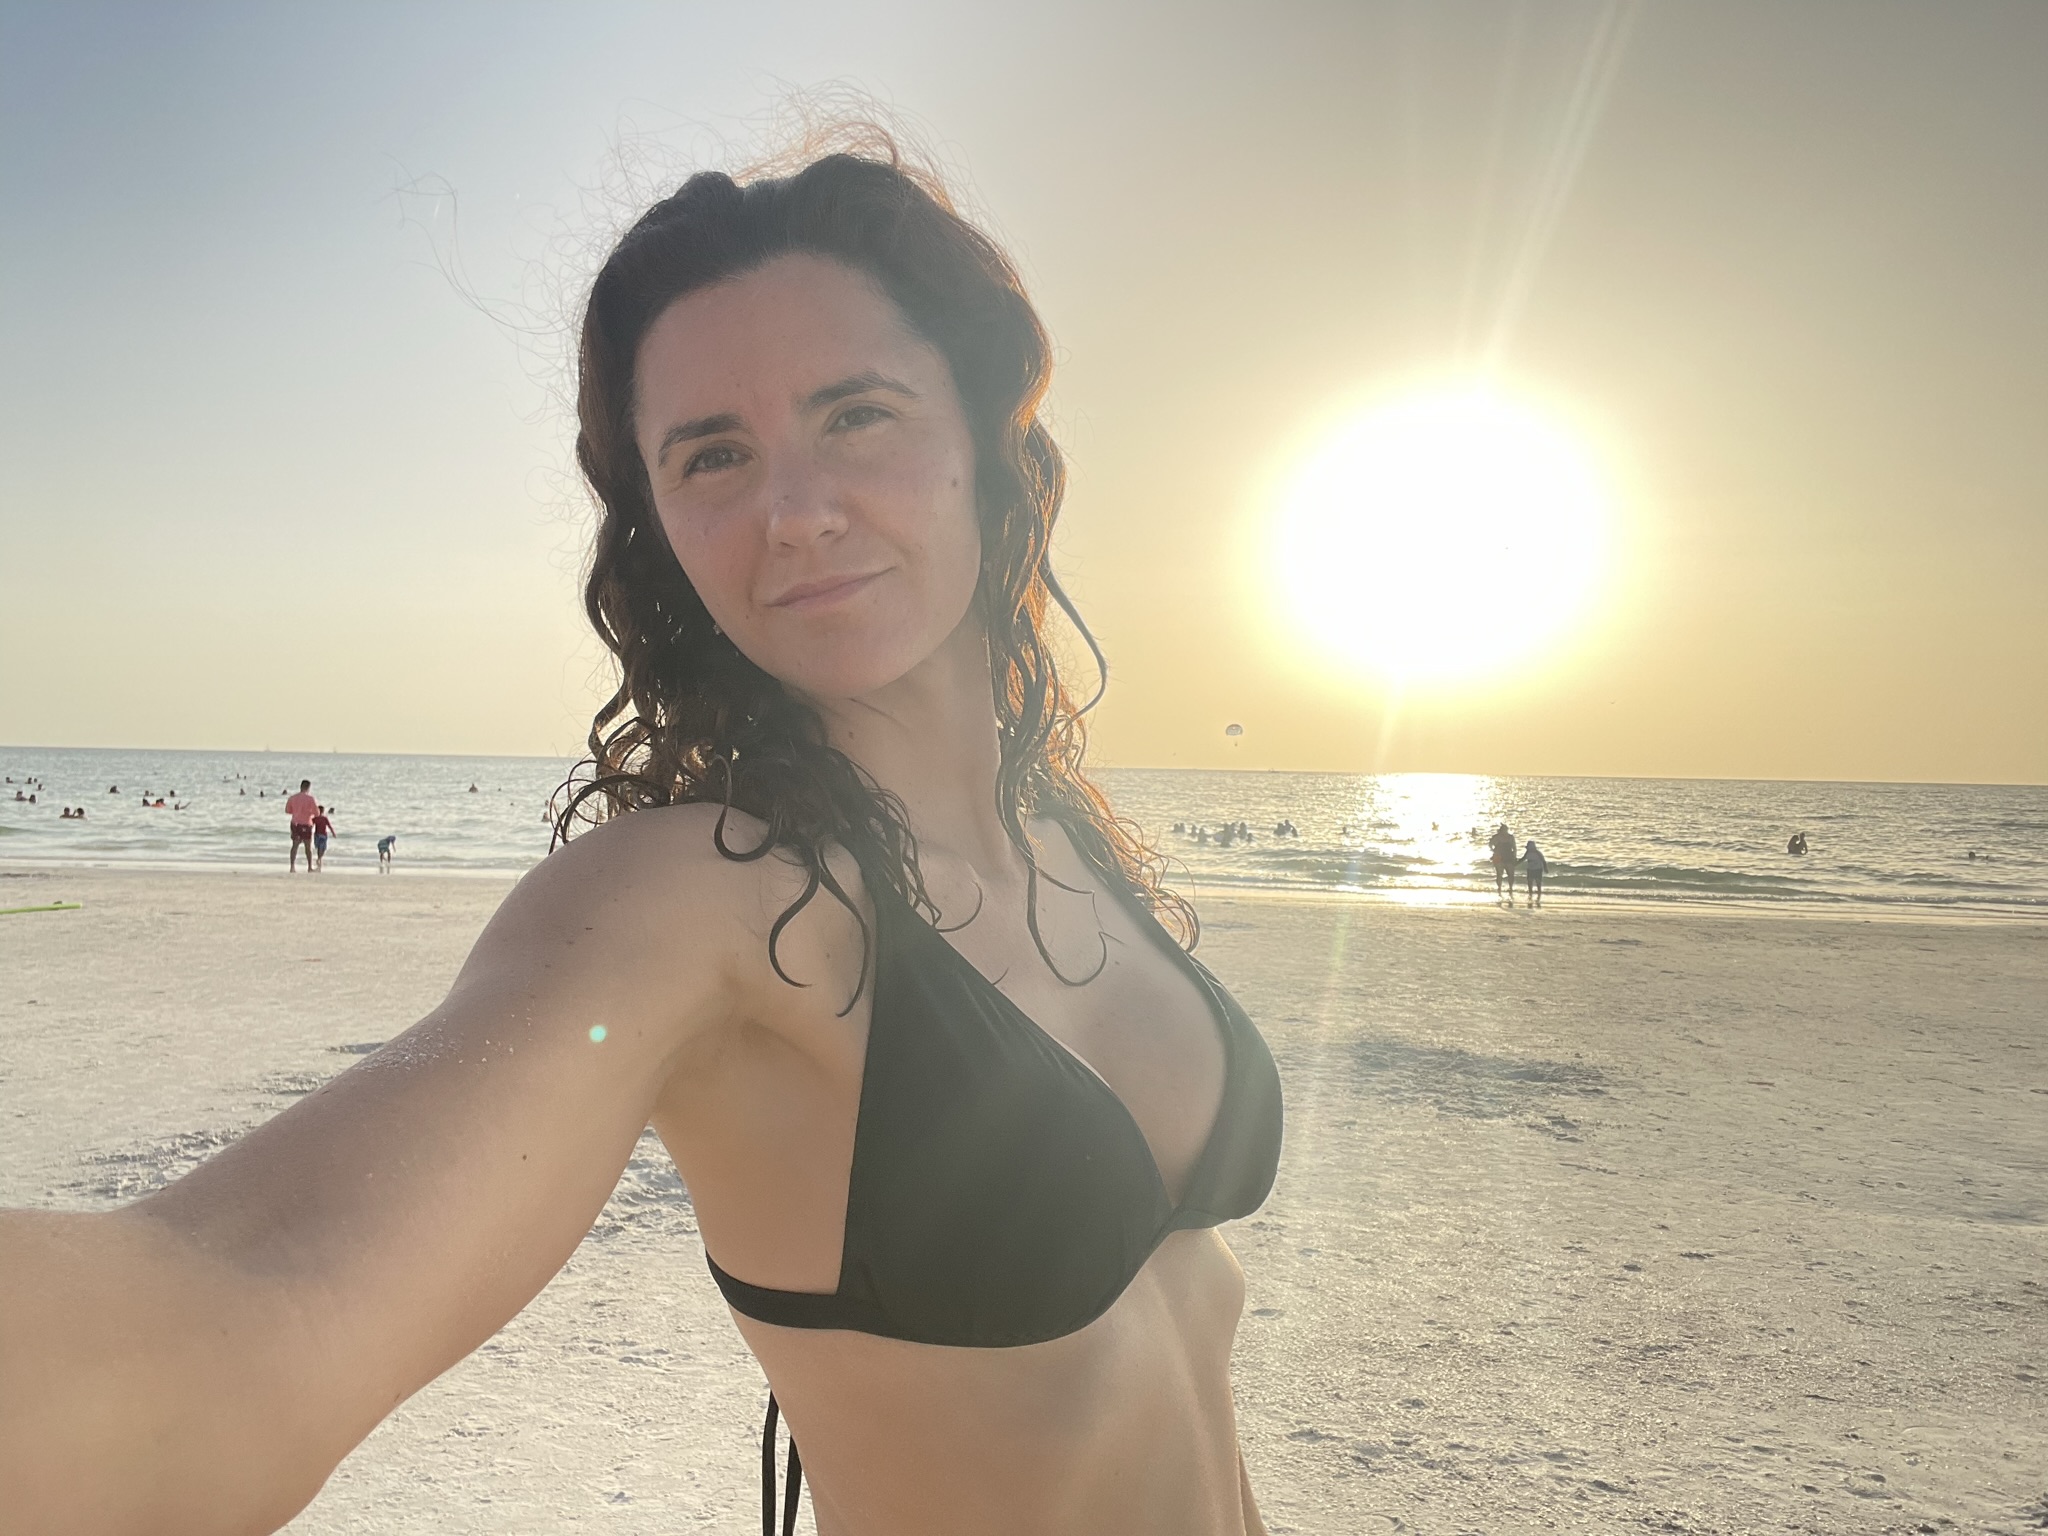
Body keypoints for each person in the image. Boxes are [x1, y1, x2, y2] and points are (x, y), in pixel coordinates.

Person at [0, 144, 1284, 1536]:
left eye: (857, 414)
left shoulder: (1064, 829)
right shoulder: (707, 898)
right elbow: (247, 1300)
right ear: (660, 527)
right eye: (713, 455)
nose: (795, 513)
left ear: (983, 438)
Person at [284, 779, 317, 872]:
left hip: (295, 823)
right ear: (308, 788)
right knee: (308, 846)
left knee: (295, 845)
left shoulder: (292, 798)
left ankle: (292, 867)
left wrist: (296, 812)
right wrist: (309, 812)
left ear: (301, 787)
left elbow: (287, 810)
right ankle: (309, 867)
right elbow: (317, 813)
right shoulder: (311, 799)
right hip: (306, 823)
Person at [1489, 822, 1517, 898]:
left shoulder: (1510, 837)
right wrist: (1493, 851)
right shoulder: (1496, 837)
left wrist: (1514, 857)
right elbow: (1490, 844)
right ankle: (1499, 888)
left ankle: (1510, 888)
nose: (1505, 831)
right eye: (1504, 830)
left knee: (1511, 874)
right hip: (1498, 857)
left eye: (1506, 830)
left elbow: (1514, 848)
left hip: (1509, 857)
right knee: (1499, 874)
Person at [1523, 840, 1548, 906]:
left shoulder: (1538, 853)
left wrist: (1545, 868)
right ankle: (1530, 895)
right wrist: (1515, 864)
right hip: (1530, 869)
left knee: (1538, 883)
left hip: (1538, 869)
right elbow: (1523, 859)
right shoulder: (1527, 853)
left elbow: (1543, 861)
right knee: (1530, 883)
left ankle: (1539, 896)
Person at [311, 806, 336, 872]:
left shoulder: (315, 818)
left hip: (317, 835)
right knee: (323, 848)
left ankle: (319, 861)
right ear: (323, 811)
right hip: (323, 835)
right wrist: (333, 833)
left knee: (319, 848)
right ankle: (319, 859)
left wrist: (308, 833)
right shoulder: (324, 818)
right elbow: (329, 826)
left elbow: (311, 826)